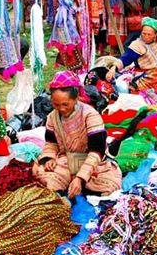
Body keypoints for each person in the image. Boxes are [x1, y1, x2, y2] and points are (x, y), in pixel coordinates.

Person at [33, 70, 122, 199]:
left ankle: (77, 185)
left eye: (65, 104)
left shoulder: (90, 115)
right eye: (56, 105)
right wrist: (49, 158)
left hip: (94, 162)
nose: (61, 109)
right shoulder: (52, 117)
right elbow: (51, 143)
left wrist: (80, 178)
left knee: (108, 186)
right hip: (67, 160)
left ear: (76, 99)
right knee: (44, 176)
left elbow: (96, 152)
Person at [106, 17, 157, 94]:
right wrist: (114, 68)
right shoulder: (137, 45)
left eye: (149, 34)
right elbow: (125, 58)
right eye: (144, 33)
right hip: (146, 76)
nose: (146, 37)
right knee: (139, 88)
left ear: (156, 34)